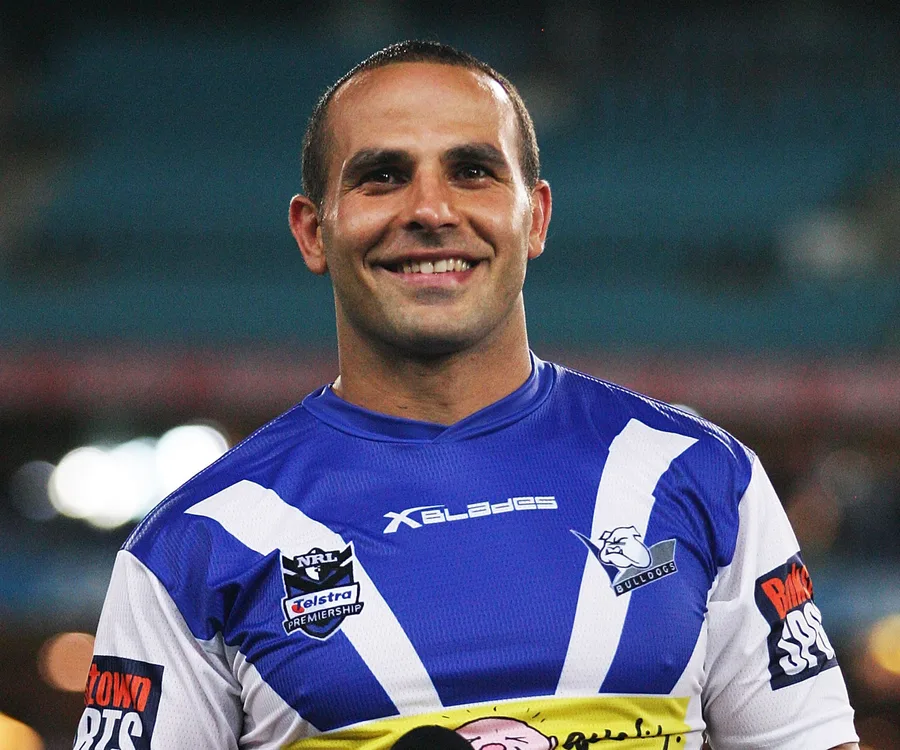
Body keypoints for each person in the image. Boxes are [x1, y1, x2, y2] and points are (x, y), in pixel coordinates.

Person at [73, 40, 859, 750]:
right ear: (313, 231)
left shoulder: (702, 478)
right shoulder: (193, 544)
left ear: (536, 216)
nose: (430, 210)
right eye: (382, 176)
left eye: (473, 171)